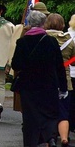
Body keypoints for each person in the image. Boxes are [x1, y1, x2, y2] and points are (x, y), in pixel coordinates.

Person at [11, 10, 67, 147]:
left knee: (30, 117)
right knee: (49, 113)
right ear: (44, 24)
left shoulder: (22, 42)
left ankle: (31, 142)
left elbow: (15, 64)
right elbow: (59, 66)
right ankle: (50, 137)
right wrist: (63, 87)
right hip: (49, 84)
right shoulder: (51, 41)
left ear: (29, 24)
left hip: (28, 86)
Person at [45, 13, 75, 146]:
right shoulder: (69, 40)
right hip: (65, 80)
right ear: (62, 25)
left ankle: (50, 138)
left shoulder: (43, 38)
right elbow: (73, 61)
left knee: (47, 111)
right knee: (63, 112)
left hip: (46, 80)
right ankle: (64, 138)